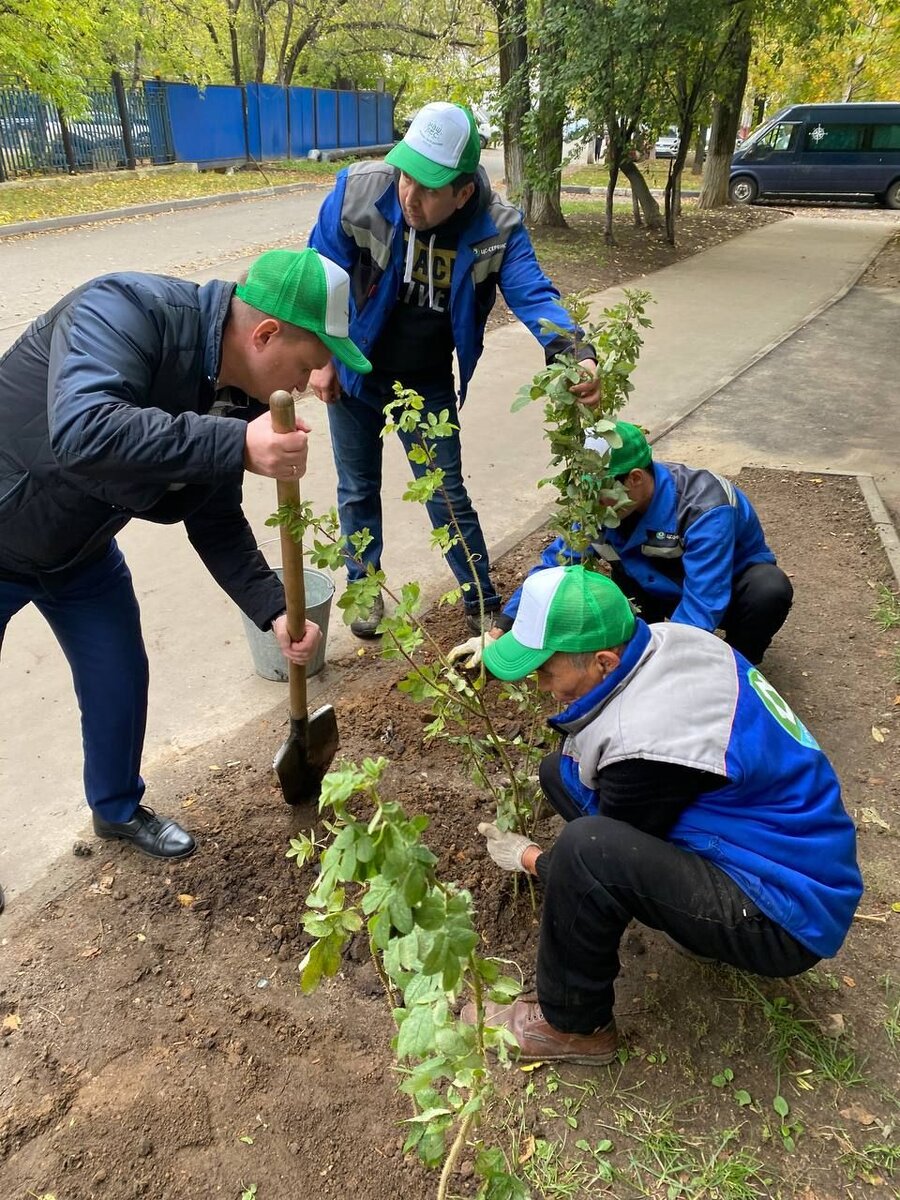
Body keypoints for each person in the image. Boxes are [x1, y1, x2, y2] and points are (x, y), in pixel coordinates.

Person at [0, 248, 371, 882]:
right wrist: (238, 445)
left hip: (78, 550)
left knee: (118, 674)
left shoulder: (240, 394)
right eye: (311, 363)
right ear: (265, 335)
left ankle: (116, 809)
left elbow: (213, 514)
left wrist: (272, 605)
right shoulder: (124, 309)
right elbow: (84, 430)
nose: (314, 381)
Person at [463, 564, 862, 1064]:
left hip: (785, 911)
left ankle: (572, 1025)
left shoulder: (645, 743)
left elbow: (602, 851)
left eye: (546, 670)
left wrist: (533, 859)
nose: (539, 684)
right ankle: (683, 911)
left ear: (604, 663)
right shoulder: (668, 640)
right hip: (779, 839)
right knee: (559, 773)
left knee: (585, 852)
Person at [308, 101, 601, 639]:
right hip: (355, 369)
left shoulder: (498, 228)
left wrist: (574, 351)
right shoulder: (357, 192)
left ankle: (481, 602)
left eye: (428, 188)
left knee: (446, 494)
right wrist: (324, 358)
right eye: (405, 177)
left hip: (425, 382)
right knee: (356, 490)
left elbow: (534, 294)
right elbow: (318, 274)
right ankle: (365, 590)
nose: (409, 196)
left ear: (463, 192)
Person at [451, 420, 793, 668]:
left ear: (635, 479)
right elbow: (553, 568)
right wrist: (498, 633)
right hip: (649, 585)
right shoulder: (597, 505)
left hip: (726, 589)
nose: (589, 504)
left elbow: (704, 602)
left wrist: (658, 668)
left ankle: (735, 671)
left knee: (769, 590)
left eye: (597, 493)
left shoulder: (704, 508)